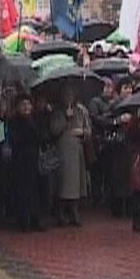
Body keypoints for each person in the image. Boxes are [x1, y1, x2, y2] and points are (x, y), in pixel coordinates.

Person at [50, 85, 91, 227]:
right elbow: (54, 130)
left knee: (76, 184)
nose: (69, 97)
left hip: (77, 150)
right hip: (63, 151)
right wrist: (65, 119)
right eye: (66, 95)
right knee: (63, 183)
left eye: (71, 94)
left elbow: (89, 130)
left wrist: (83, 132)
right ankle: (61, 213)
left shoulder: (81, 110)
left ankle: (74, 211)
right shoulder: (57, 111)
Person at [8, 92, 43, 231]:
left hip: (34, 159)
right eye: (23, 104)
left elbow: (41, 135)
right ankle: (23, 221)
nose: (26, 107)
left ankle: (35, 219)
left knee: (35, 191)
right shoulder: (13, 121)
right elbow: (15, 139)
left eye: (28, 104)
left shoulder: (35, 119)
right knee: (22, 191)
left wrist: (31, 124)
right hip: (20, 160)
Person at [88, 78, 116, 205]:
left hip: (111, 140)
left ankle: (107, 195)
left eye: (111, 87)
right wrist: (110, 119)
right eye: (107, 87)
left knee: (109, 171)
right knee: (97, 171)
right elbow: (95, 118)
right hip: (98, 140)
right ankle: (96, 196)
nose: (109, 90)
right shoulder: (95, 101)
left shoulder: (114, 102)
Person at [108, 77, 134, 218]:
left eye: (130, 87)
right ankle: (117, 208)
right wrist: (119, 120)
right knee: (118, 177)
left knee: (130, 177)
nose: (128, 91)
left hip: (130, 144)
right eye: (125, 88)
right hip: (118, 144)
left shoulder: (136, 104)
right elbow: (106, 120)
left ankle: (129, 208)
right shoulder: (114, 105)